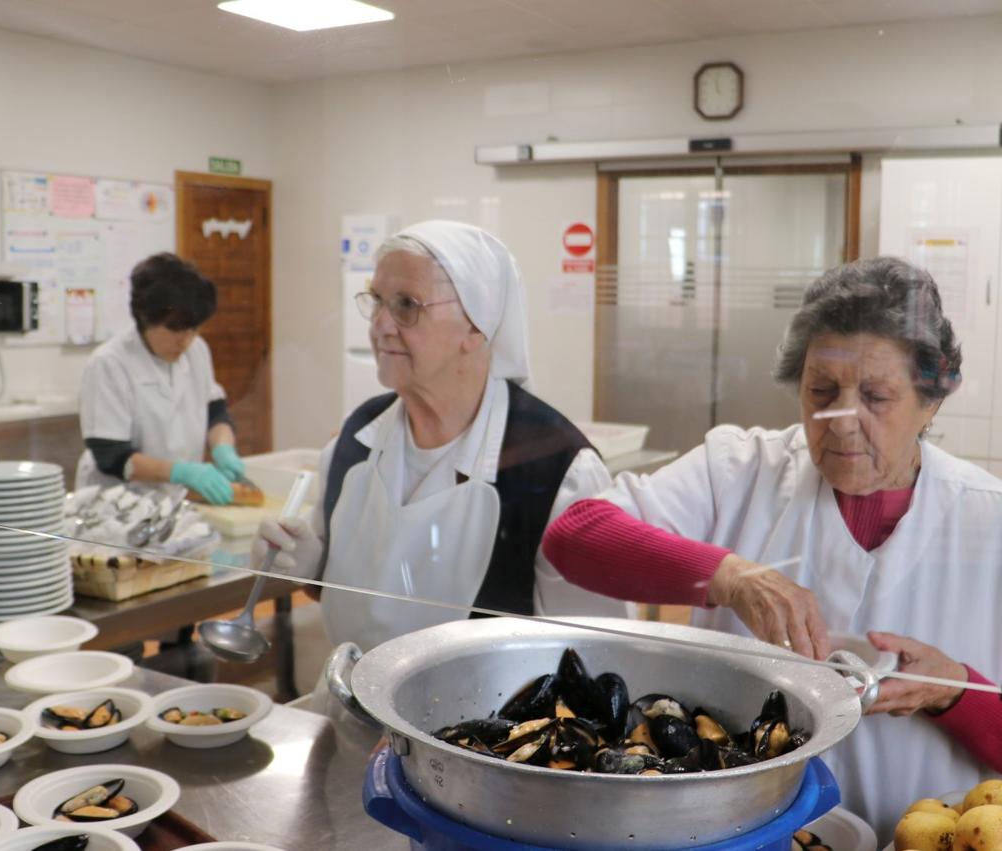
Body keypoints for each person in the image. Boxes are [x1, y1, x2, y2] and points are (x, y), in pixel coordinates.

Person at [541, 256, 1002, 839]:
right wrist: (728, 577)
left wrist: (952, 691)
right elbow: (573, 535)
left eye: (876, 397)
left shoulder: (986, 519)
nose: (839, 422)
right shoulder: (739, 470)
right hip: (744, 832)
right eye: (822, 390)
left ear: (932, 400)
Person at [253, 220, 628, 655]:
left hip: (485, 722)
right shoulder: (355, 441)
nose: (380, 327)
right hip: (349, 712)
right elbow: (343, 590)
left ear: (476, 325)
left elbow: (596, 653)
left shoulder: (559, 472)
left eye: (406, 305)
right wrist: (308, 563)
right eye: (376, 302)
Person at [75, 252, 243, 503]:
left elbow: (214, 410)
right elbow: (111, 456)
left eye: (194, 328)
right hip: (116, 504)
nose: (185, 340)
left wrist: (223, 448)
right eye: (174, 328)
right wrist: (181, 472)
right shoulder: (109, 364)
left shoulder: (197, 351)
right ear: (145, 318)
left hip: (172, 502)